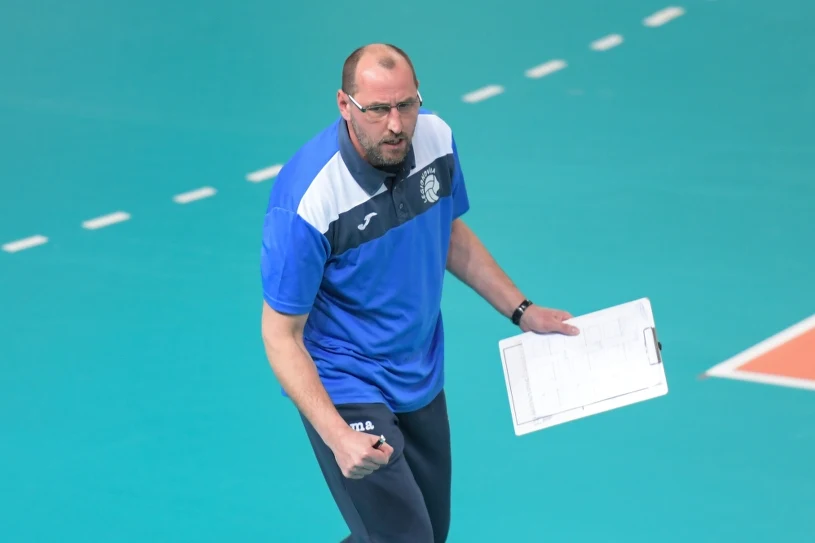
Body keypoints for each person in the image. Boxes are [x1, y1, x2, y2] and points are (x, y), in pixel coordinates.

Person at [259, 43, 580, 543]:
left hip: (418, 367)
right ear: (345, 105)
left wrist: (522, 310)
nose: (396, 125)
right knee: (406, 538)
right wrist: (337, 435)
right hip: (346, 379)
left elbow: (446, 231)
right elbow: (280, 335)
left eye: (406, 105)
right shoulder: (308, 199)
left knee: (428, 531)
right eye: (377, 109)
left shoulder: (436, 140)